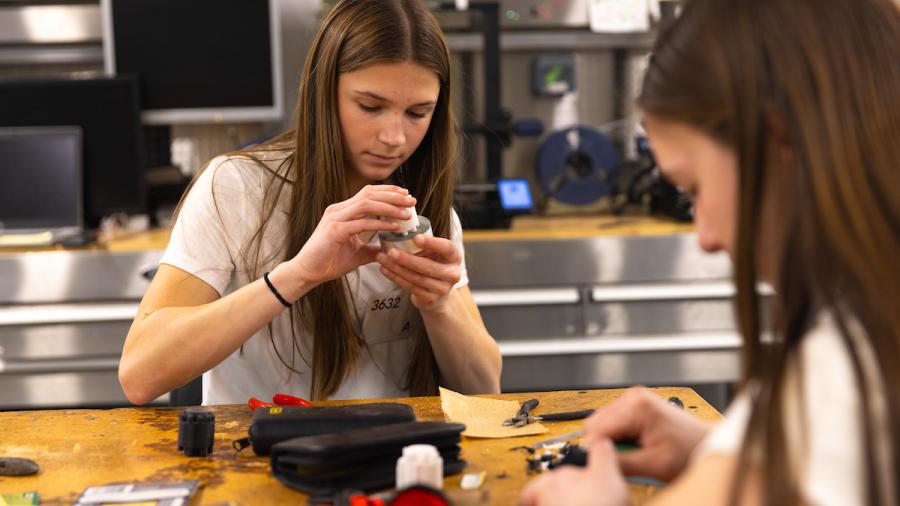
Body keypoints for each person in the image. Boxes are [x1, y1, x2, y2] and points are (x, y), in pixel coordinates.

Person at [522, 0, 900, 504]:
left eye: (694, 186)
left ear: (776, 139)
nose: (705, 236)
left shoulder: (842, 373)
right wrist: (716, 447)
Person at [119, 0, 502, 405]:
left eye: (417, 113)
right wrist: (297, 275)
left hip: (395, 455)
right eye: (370, 107)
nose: (394, 137)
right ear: (324, 92)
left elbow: (484, 391)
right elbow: (140, 375)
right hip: (259, 459)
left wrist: (439, 305)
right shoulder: (237, 188)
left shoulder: (422, 213)